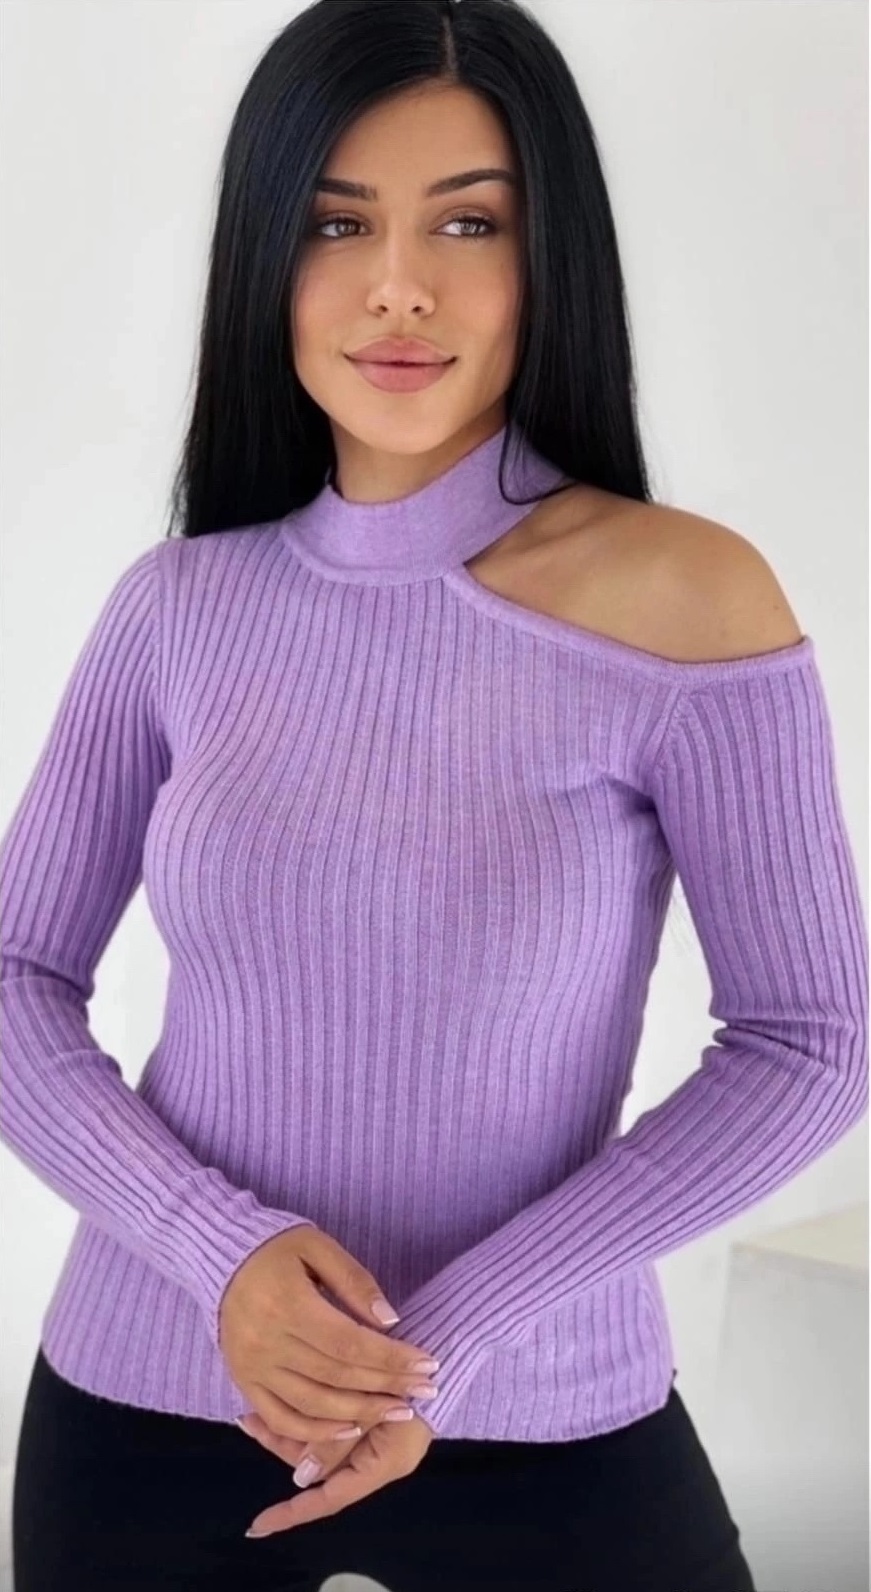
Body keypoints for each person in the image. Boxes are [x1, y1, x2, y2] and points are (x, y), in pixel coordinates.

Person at [4, 1, 867, 1588]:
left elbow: (811, 1042)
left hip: (547, 1419)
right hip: (152, 1406)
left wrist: (448, 1337)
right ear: (267, 259)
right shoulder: (178, 606)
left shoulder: (686, 598)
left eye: (469, 223)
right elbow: (13, 977)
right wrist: (221, 1255)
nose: (400, 284)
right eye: (337, 224)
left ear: (552, 258)